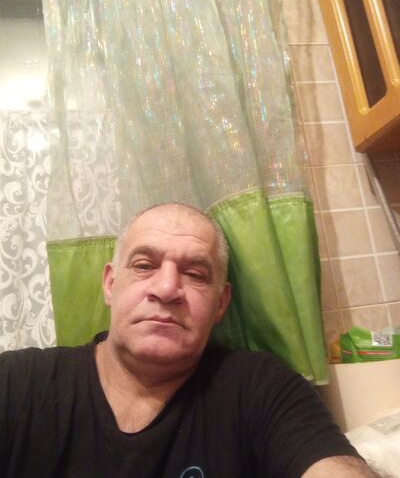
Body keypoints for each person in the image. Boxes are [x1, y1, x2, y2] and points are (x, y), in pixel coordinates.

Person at [0, 203, 378, 477]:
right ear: (110, 284)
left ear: (221, 303)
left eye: (195, 274)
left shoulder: (264, 388)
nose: (167, 288)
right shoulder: (17, 384)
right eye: (144, 265)